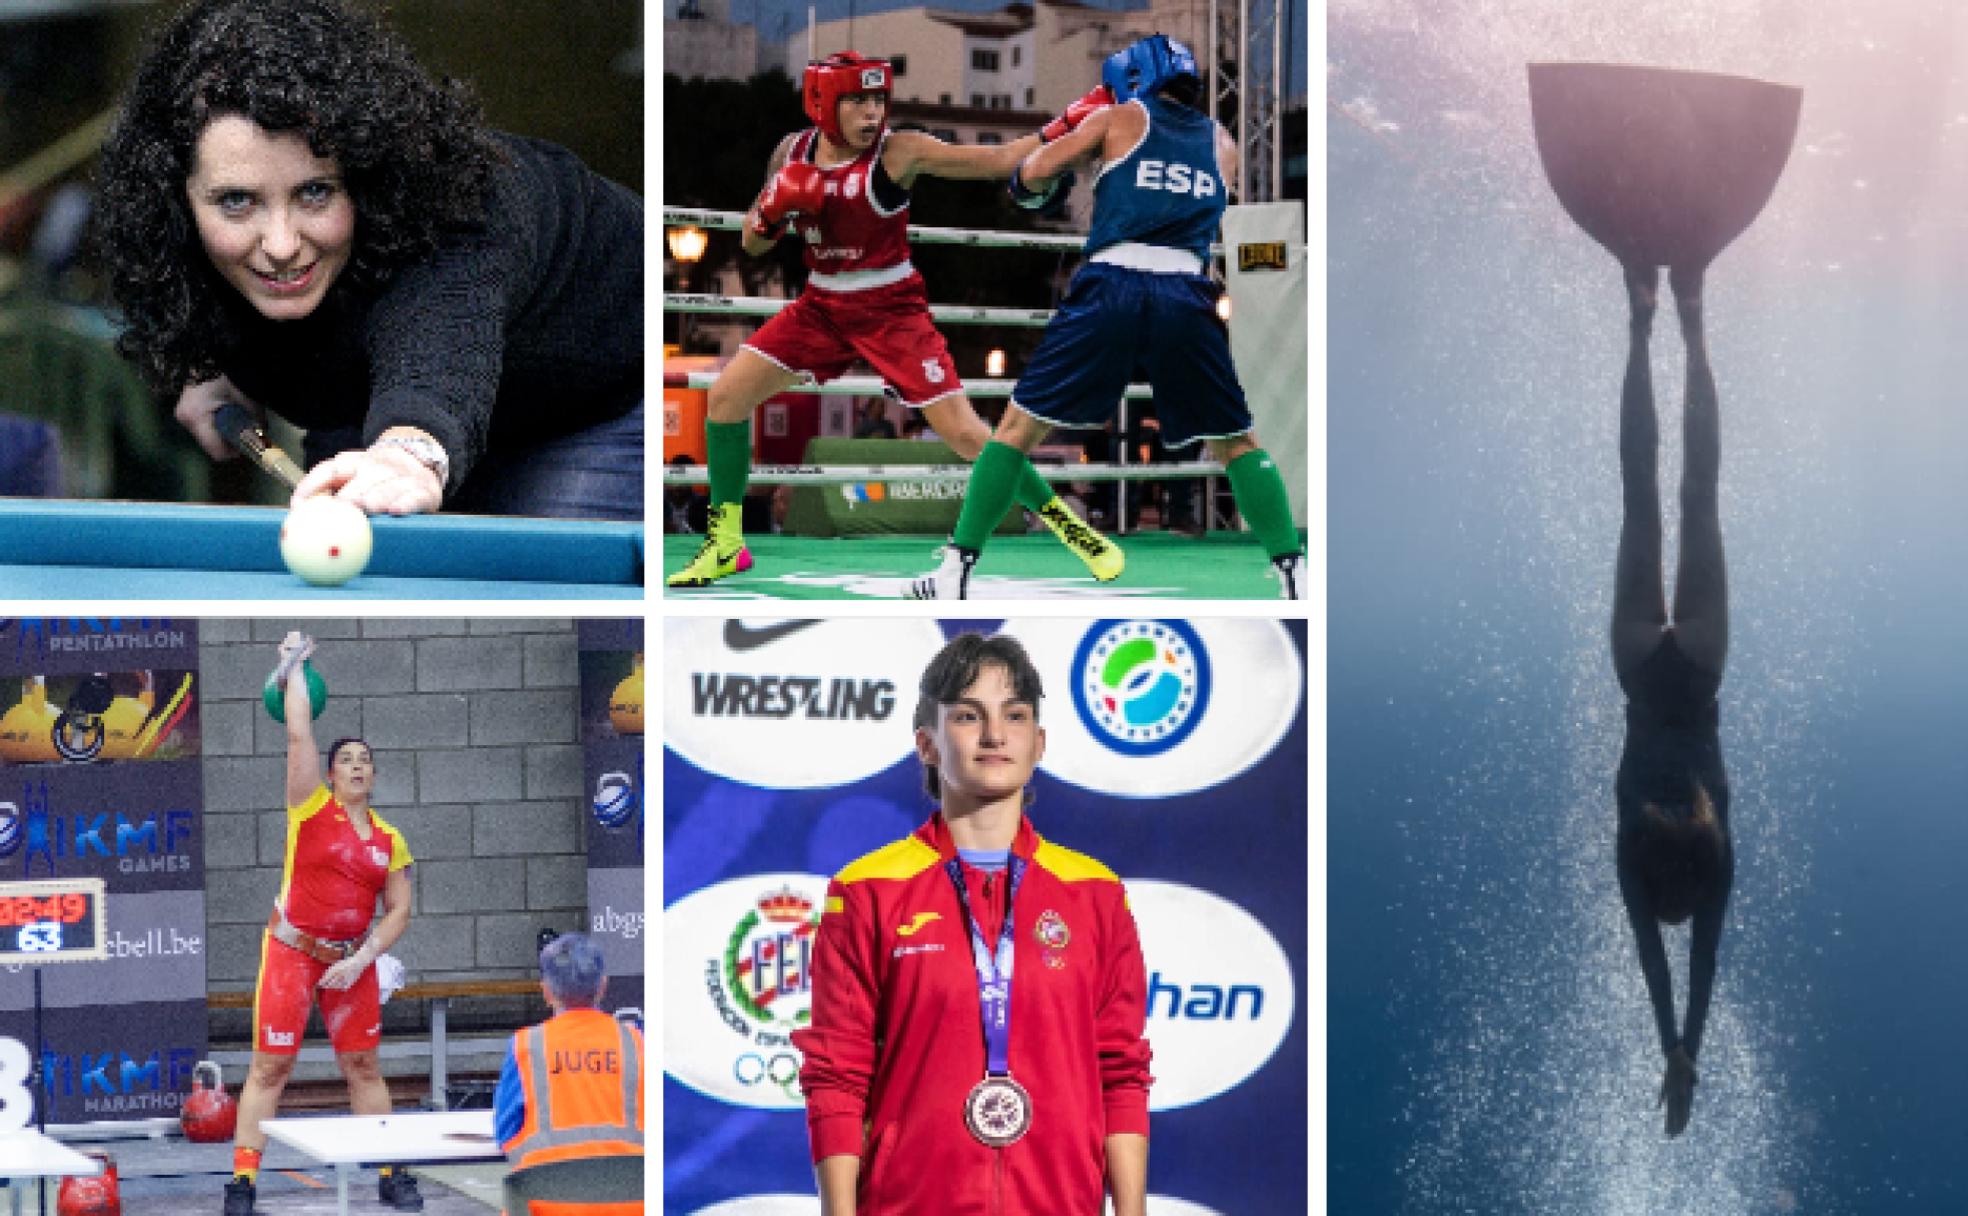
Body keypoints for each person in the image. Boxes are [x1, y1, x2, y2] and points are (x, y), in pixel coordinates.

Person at [94, 0, 643, 520]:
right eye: (237, 201)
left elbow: (437, 344)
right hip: (371, 410)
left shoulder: (459, 214)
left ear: (365, 174)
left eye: (315, 193)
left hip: (594, 408)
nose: (282, 245)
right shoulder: (177, 245)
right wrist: (204, 359)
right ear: (177, 202)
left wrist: (407, 456)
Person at [666, 52, 1122, 586]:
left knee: (968, 435)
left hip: (890, 310)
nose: (870, 113)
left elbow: (1001, 161)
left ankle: (1072, 529)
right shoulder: (792, 152)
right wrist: (774, 205)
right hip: (820, 307)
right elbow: (752, 242)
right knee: (724, 400)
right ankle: (725, 543)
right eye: (857, 100)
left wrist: (1073, 123)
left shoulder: (900, 151)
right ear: (823, 103)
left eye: (878, 99)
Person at [908, 34, 1306, 599]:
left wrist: (1059, 167)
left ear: (1134, 78)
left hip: (1112, 284)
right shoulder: (1224, 142)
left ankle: (955, 572)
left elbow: (1029, 177)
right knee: (1237, 443)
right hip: (1186, 291)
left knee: (1016, 430)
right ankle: (1296, 574)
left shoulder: (1119, 117)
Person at [793, 633, 1152, 1216]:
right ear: (927, 744)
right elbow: (836, 1073)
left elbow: (1121, 1071)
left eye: (1015, 716)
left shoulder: (1096, 894)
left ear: (1038, 743)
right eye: (967, 715)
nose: (993, 735)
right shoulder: (866, 891)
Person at [226, 632, 418, 1215]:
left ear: (373, 776)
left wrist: (363, 959)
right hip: (290, 953)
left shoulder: (390, 840)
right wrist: (296, 665)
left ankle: (389, 1172)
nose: (357, 766)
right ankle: (243, 1182)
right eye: (347, 761)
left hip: (349, 960)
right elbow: (299, 732)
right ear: (330, 775)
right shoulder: (309, 806)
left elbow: (400, 911)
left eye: (365, 761)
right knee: (271, 1066)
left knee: (363, 1064)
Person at [1611, 262, 1735, 1138]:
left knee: (1693, 495)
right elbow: (1663, 966)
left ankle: (1683, 316)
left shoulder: (1716, 859)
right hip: (1637, 669)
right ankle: (1643, 317)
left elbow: (1695, 969)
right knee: (1645, 497)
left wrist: (1683, 1048)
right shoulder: (1634, 857)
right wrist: (1672, 1044)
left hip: (1698, 668)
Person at [493, 933, 644, 1216]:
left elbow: (505, 1133)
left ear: (546, 991)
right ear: (603, 987)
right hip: (634, 1205)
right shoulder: (637, 1044)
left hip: (545, 1206)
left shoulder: (526, 1046)